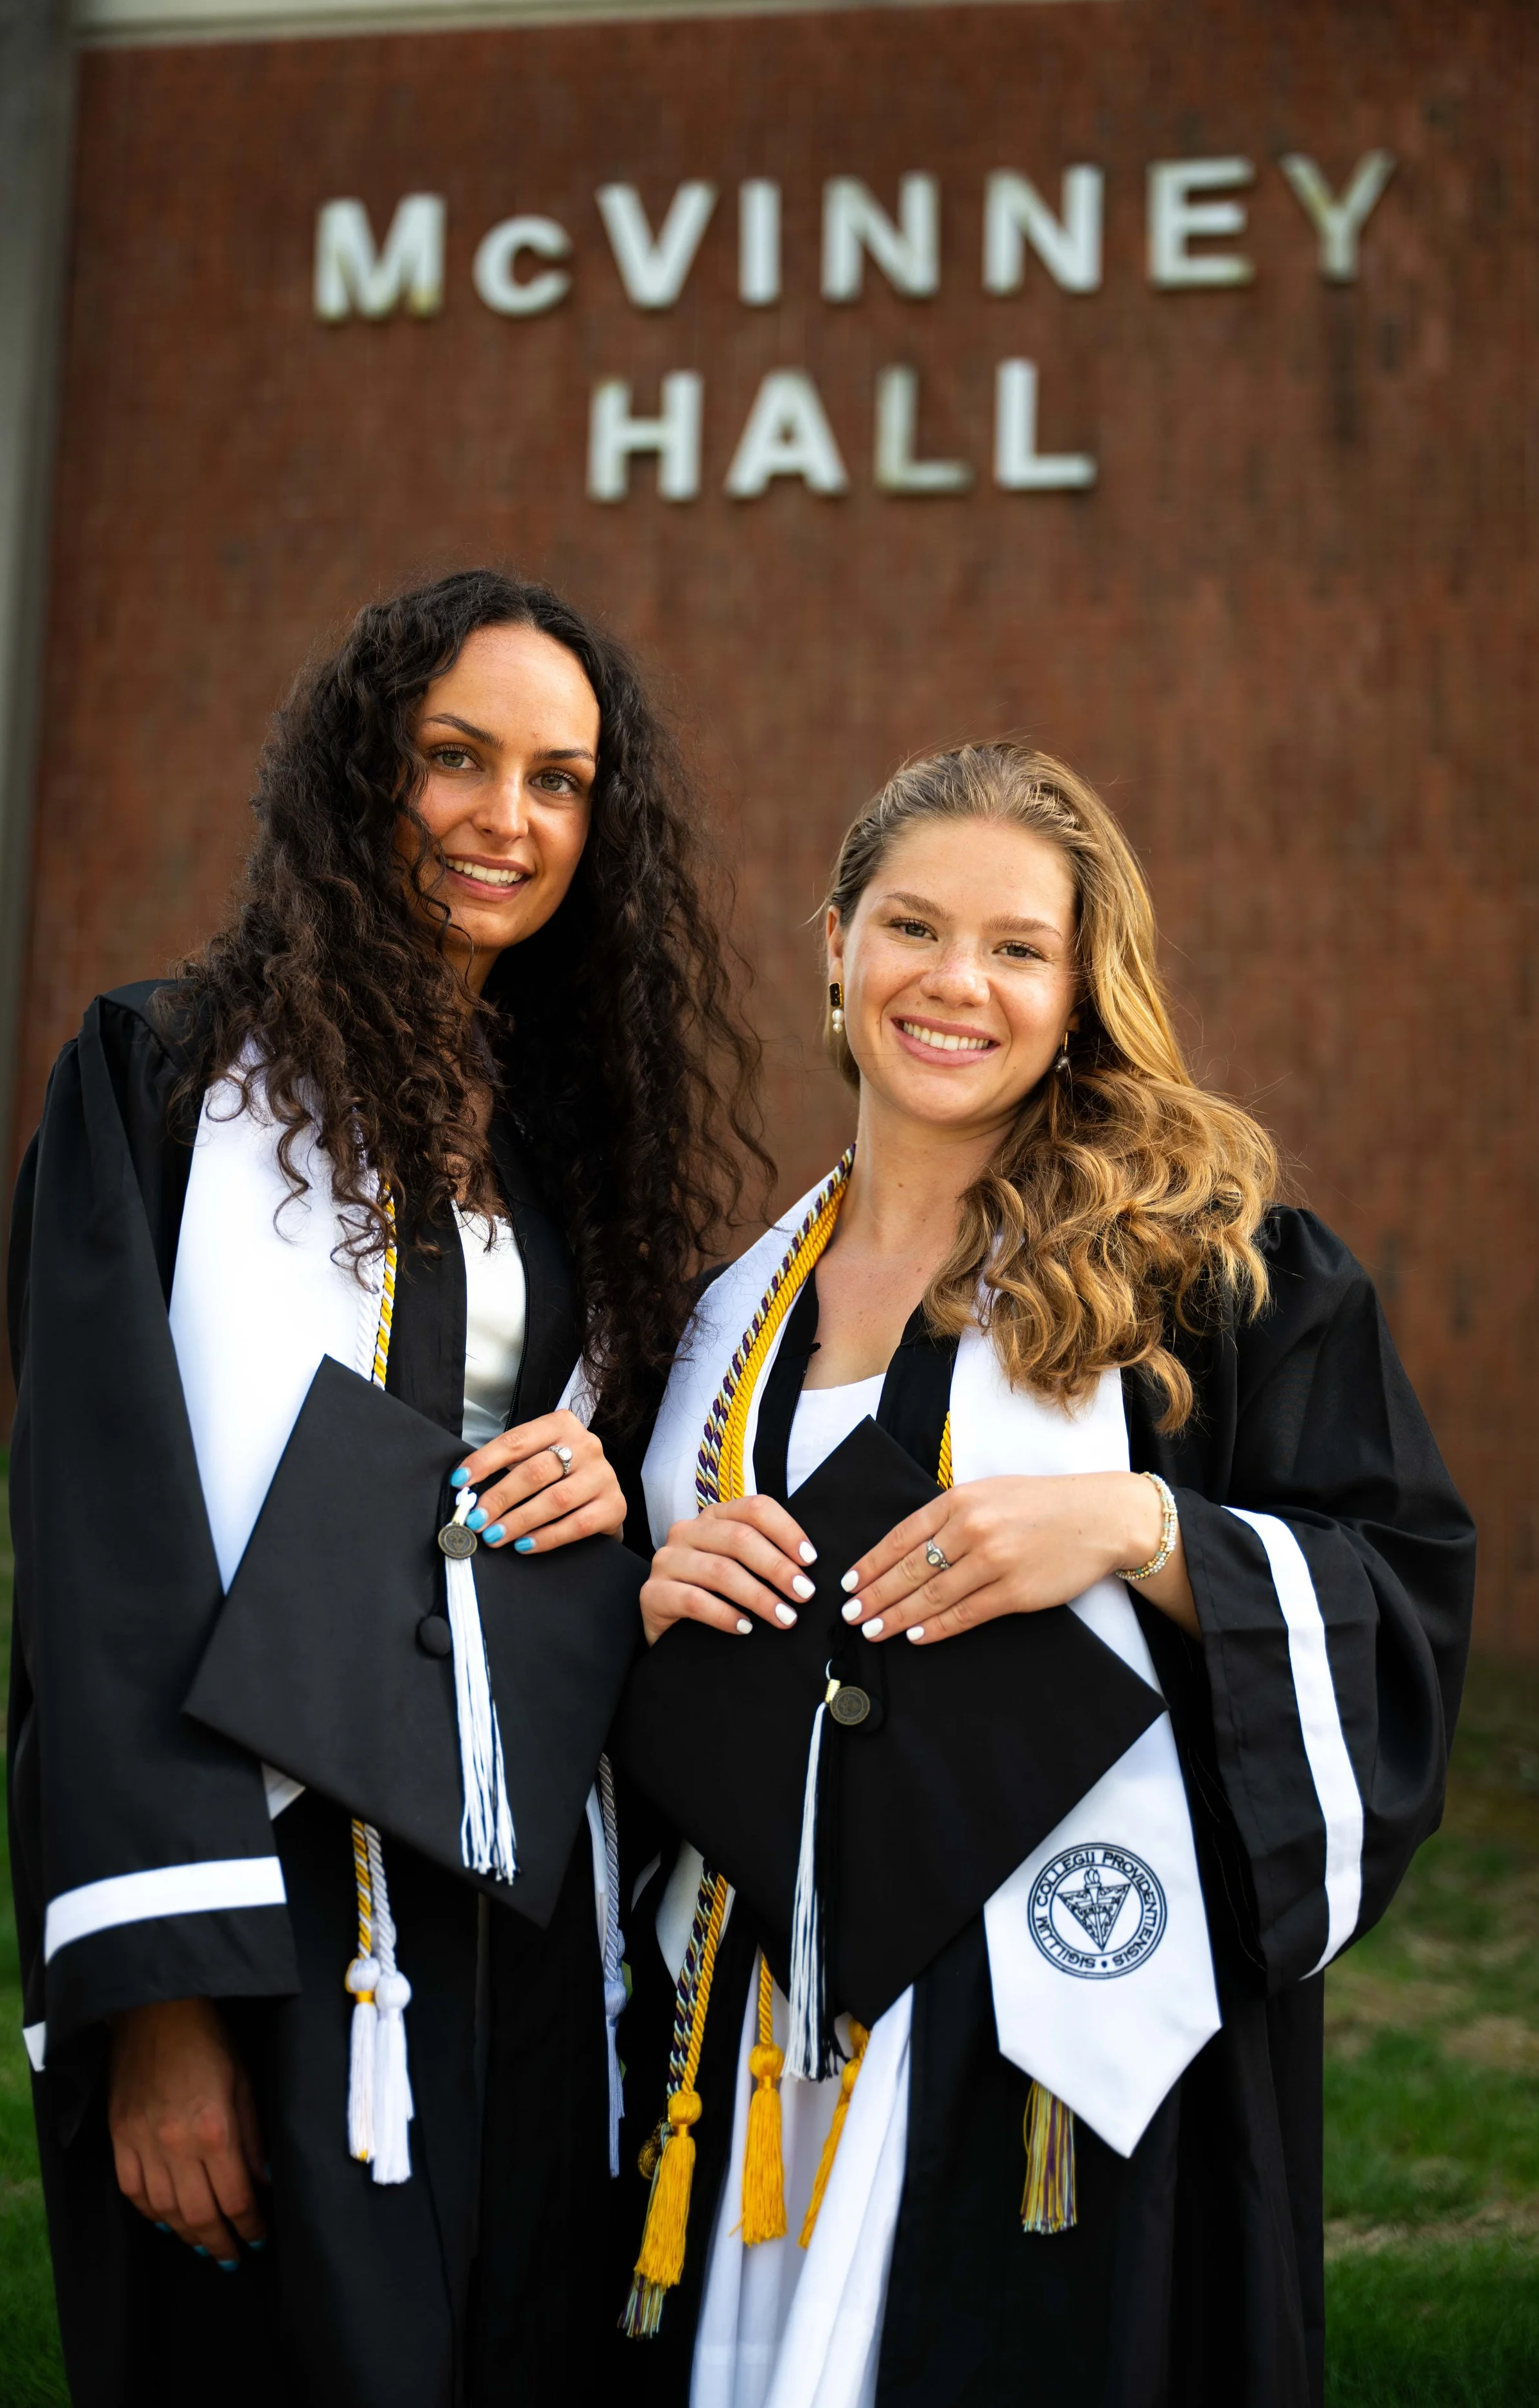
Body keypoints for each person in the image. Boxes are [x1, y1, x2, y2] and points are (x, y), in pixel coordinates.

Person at [607, 742, 1475, 2408]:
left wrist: (1144, 1532)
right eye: (911, 927)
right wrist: (656, 1594)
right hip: (765, 2006)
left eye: (1018, 946)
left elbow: (1402, 1583)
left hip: (1059, 2046)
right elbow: (648, 1678)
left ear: (1085, 987)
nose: (955, 982)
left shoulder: (1209, 1271)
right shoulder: (722, 1317)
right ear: (834, 947)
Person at [6, 570, 766, 2407]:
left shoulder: (578, 1132)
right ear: (361, 772)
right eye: (456, 757)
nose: (509, 818)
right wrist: (164, 2012)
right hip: (257, 1882)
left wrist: (616, 1482)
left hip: (520, 1888)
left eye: (561, 779)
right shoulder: (165, 1082)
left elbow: (661, 1474)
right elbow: (102, 1555)